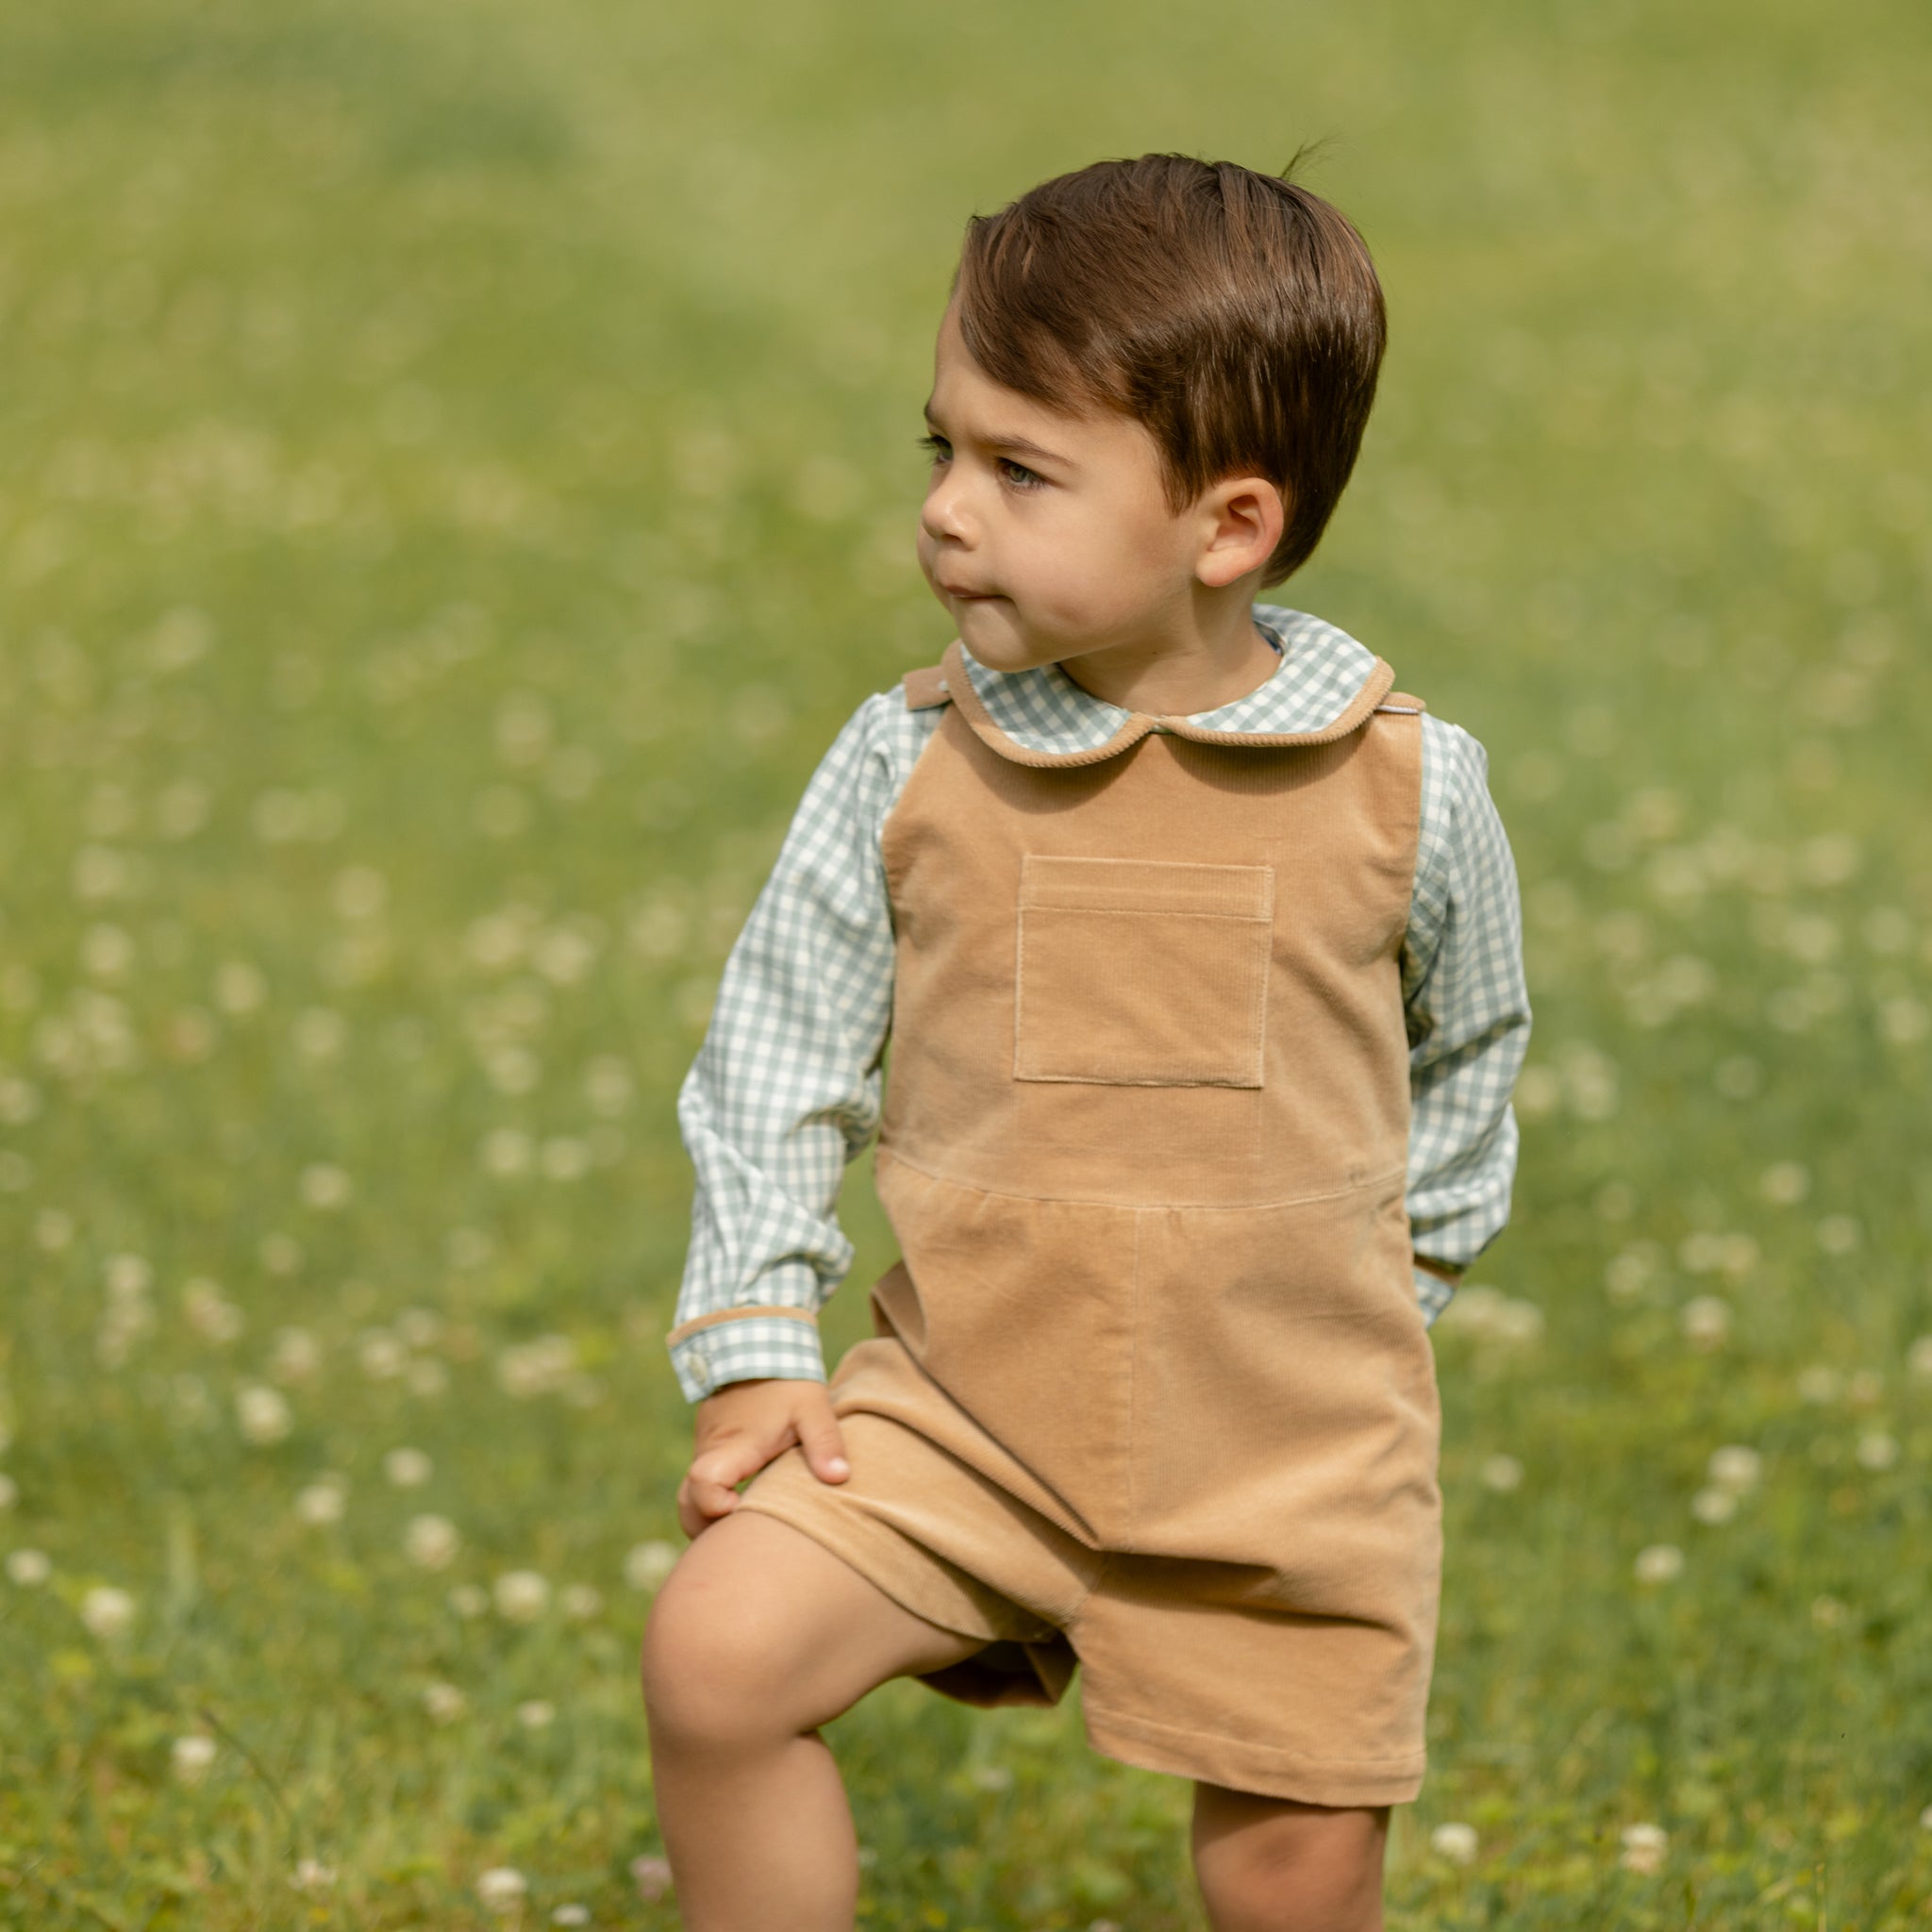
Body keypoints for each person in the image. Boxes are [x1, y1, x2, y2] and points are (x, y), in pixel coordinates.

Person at [641, 152, 1530, 1932]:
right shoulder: (909, 761)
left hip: (1286, 1449)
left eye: (1021, 470)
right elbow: (774, 1055)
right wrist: (754, 1336)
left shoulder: (1411, 788)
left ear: (1229, 526)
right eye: (943, 452)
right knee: (717, 1660)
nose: (950, 514)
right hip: (969, 1411)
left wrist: (1379, 1295)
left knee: (1295, 1870)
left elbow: (1472, 1056)